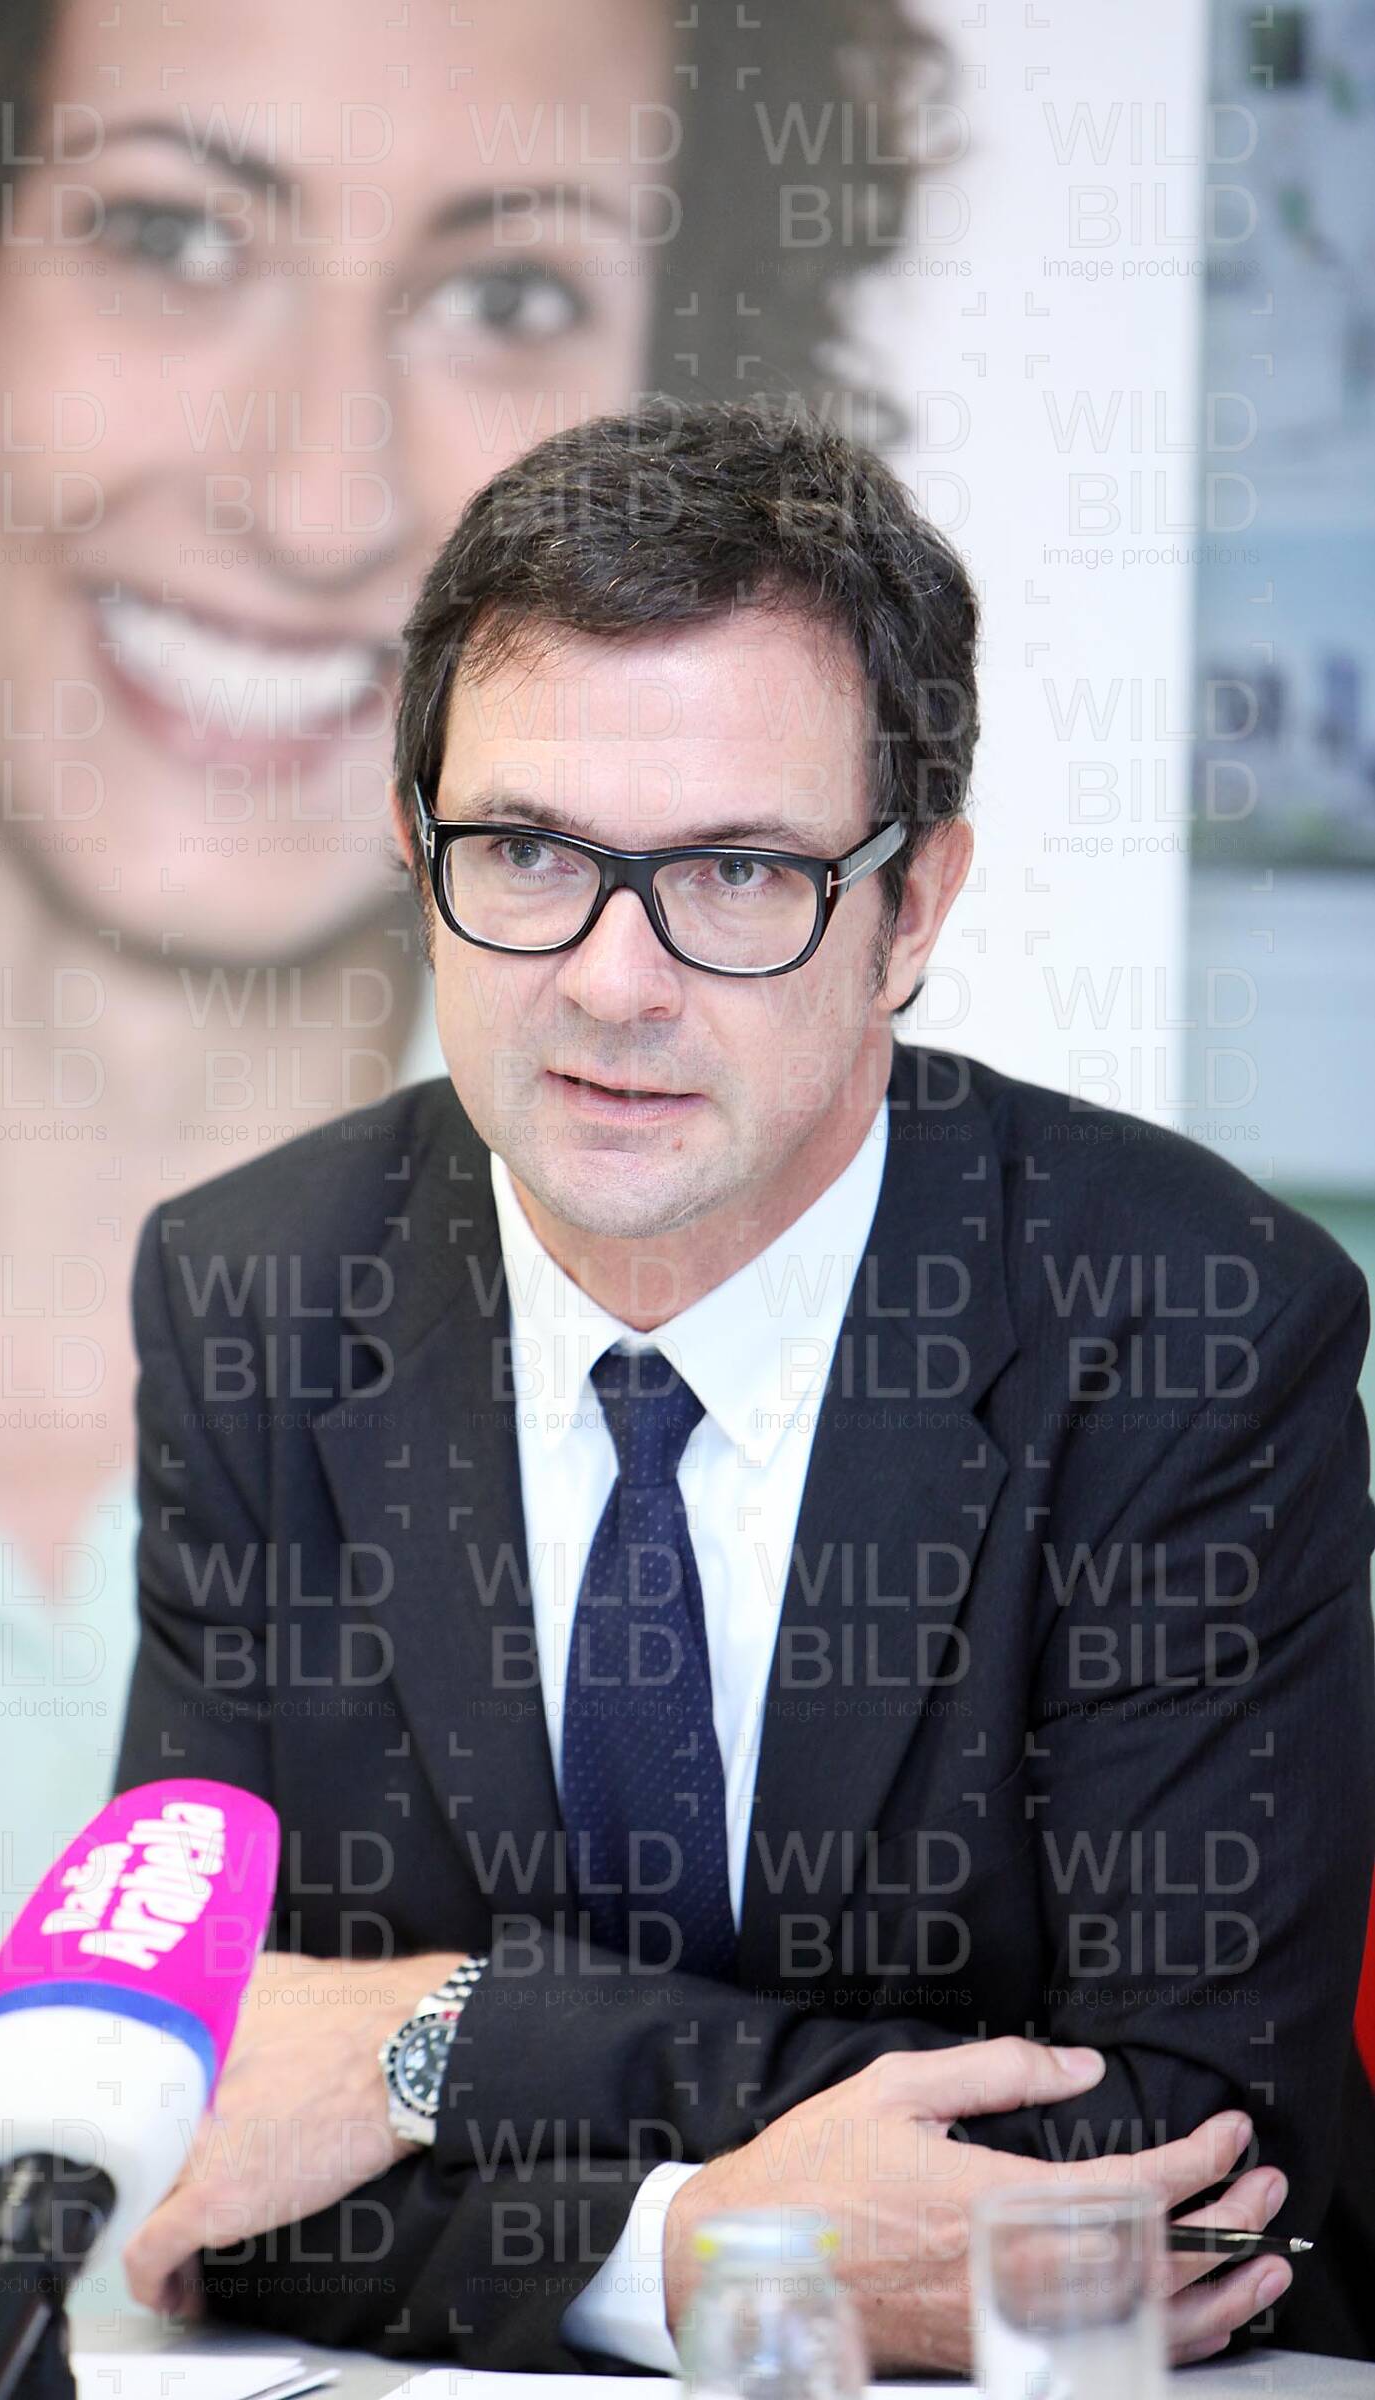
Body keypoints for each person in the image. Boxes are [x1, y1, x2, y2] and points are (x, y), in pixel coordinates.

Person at [0, 0, 947, 2328]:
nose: (317, 495)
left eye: (503, 291)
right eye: (170, 235)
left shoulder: (906, 1327)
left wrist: (458, 2060)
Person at [112, 398, 1375, 2374]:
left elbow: (1196, 2170)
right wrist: (709, 2254)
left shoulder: (1185, 1324)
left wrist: (448, 2040)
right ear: (414, 853)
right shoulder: (260, 1297)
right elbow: (194, 2121)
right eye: (526, 850)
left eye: (736, 872)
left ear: (912, 909)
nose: (613, 979)